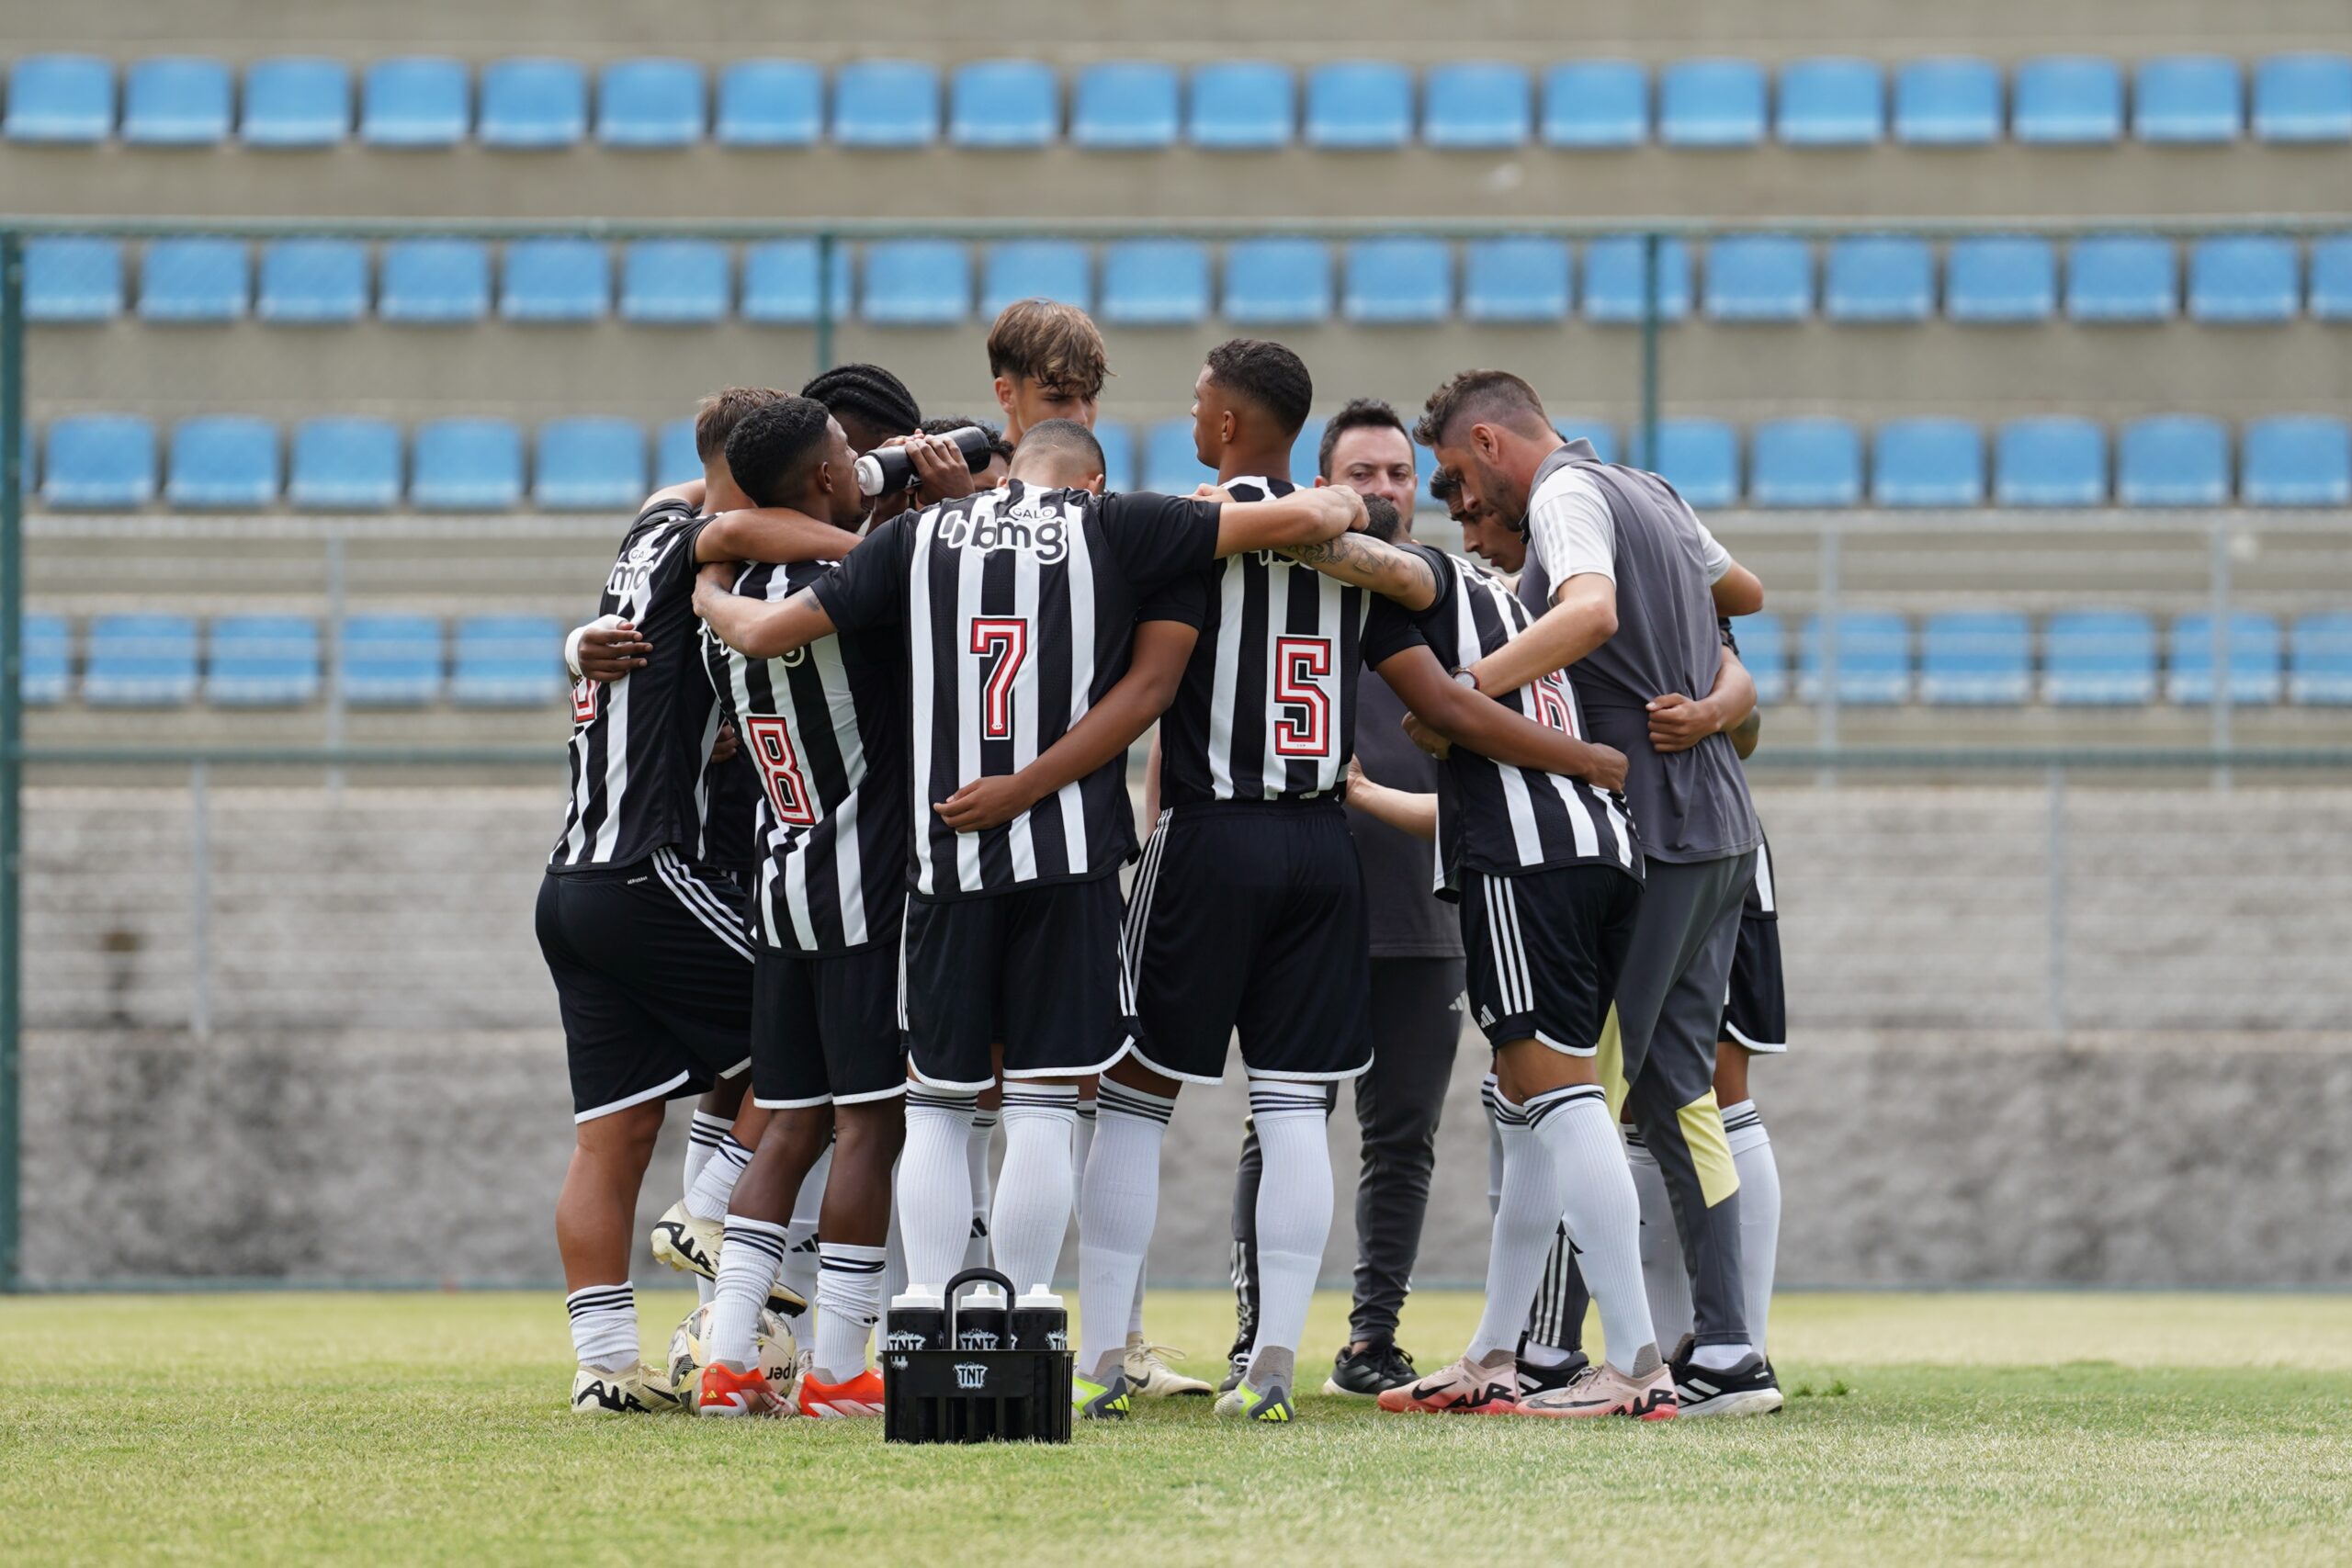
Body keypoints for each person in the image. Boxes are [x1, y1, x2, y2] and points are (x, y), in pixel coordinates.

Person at [693, 419, 1367, 1422]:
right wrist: (1319, 507)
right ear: (1089, 478)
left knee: (937, 1105)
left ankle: (924, 1315)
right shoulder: (1117, 525)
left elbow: (757, 630)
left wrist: (705, 587)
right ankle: (1021, 1318)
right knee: (1046, 1107)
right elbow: (1315, 517)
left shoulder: (919, 537)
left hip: (945, 858)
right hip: (1067, 860)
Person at [1417, 370, 1782, 1416]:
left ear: (1488, 441)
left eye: (1452, 476)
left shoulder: (1569, 496)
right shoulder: (1655, 492)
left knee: (1579, 1087)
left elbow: (1588, 610)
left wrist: (1464, 691)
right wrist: (1710, 696)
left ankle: (1579, 1355)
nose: (1458, 503)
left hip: (1649, 828)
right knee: (1673, 1091)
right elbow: (1743, 594)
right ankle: (1724, 1351)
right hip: (1722, 827)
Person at [537, 389, 865, 1415]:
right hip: (649, 870)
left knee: (611, 1135)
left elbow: (704, 500)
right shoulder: (708, 542)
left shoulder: (650, 523)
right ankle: (715, 1212)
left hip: (571, 881)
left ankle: (603, 1370)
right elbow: (732, 521)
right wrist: (894, 558)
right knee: (808, 1022)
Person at [1218, 400, 1468, 1399]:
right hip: (1300, 911)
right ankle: (1258, 1334)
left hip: (1425, 916)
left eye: (1399, 474)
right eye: (1360, 474)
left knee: (1401, 1135)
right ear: (1324, 484)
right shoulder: (1274, 581)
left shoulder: (1446, 597)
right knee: (1279, 1124)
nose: (1382, 491)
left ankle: (1372, 1339)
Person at [672, 397, 914, 1418]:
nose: (860, 465)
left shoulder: (721, 588)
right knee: (871, 1127)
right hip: (864, 889)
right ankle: (840, 1363)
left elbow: (719, 546)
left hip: (781, 887)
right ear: (821, 479)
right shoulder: (854, 582)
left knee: (788, 1129)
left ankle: (729, 1358)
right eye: (846, 456)